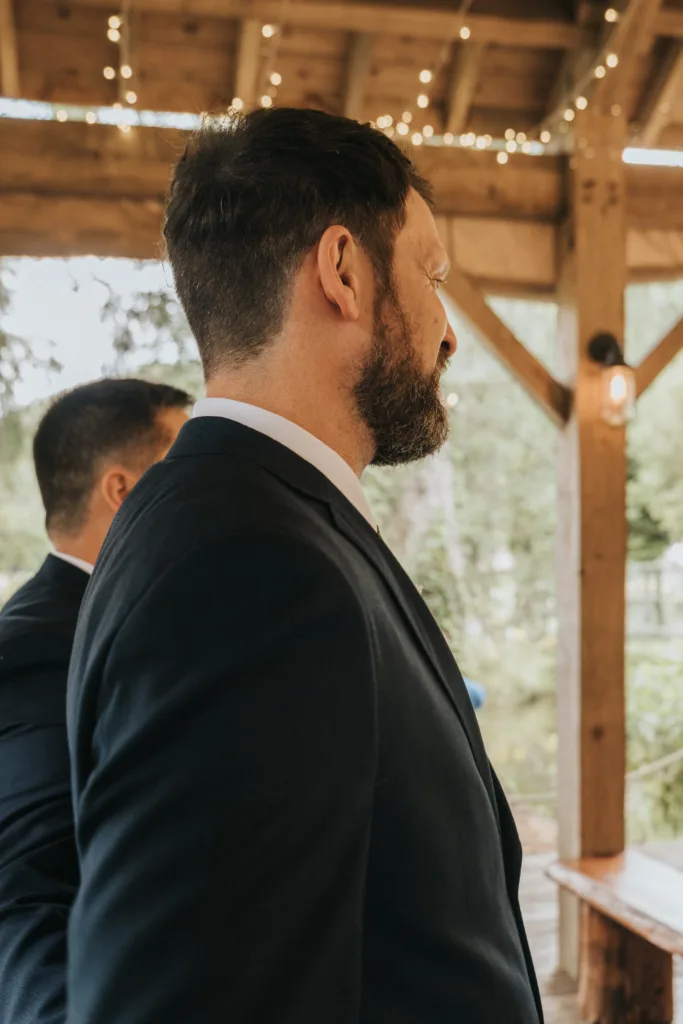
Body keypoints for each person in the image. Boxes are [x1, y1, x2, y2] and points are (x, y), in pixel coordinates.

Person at [66, 109, 543, 1024]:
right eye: (432, 275)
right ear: (342, 271)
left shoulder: (241, 514)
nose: (447, 334)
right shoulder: (245, 568)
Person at [0, 378, 191, 1024]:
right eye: (184, 467)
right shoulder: (32, 650)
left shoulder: (148, 616)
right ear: (122, 490)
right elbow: (30, 899)